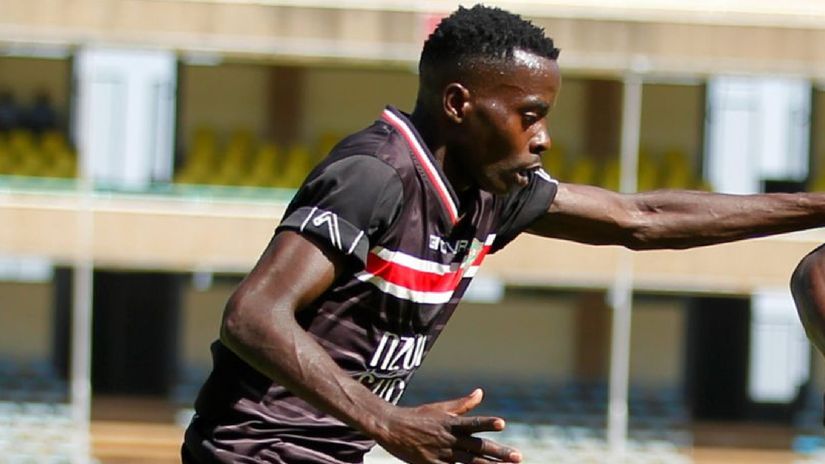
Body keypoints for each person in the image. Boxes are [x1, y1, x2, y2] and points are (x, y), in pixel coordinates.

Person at [184, 5, 825, 464]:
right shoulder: (375, 174)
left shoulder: (496, 192)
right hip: (253, 451)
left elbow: (643, 218)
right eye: (529, 115)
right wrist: (388, 422)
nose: (542, 137)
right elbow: (252, 314)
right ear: (458, 104)